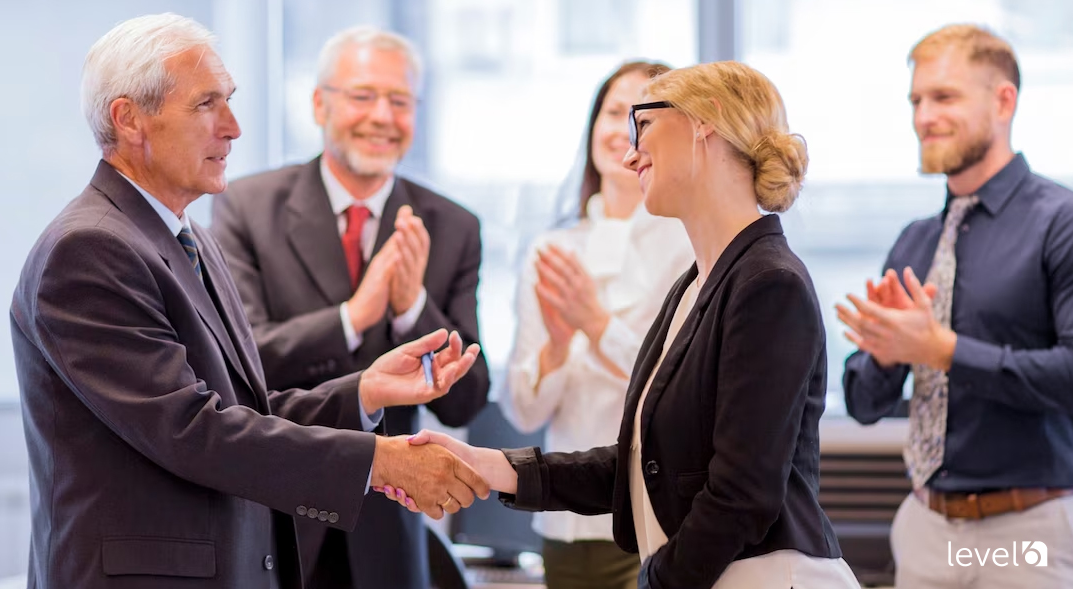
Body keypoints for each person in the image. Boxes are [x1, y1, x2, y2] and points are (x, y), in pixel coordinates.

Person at [10, 14, 489, 589]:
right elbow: (193, 430)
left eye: (229, 101)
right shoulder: (89, 249)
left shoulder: (187, 237)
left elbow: (243, 407)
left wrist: (363, 392)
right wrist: (379, 460)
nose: (233, 128)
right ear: (129, 118)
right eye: (206, 104)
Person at [387, 61, 861, 588]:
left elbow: (742, 496)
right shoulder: (694, 286)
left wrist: (655, 581)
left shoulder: (770, 284)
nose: (631, 153)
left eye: (644, 124)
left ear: (705, 123)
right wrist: (490, 465)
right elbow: (642, 464)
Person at [210, 25, 489, 589]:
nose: (382, 116)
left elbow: (468, 398)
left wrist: (412, 309)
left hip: (389, 531)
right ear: (320, 104)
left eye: (400, 101)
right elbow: (241, 365)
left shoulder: (452, 225)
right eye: (363, 96)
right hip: (279, 517)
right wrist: (354, 317)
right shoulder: (247, 206)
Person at [837, 24, 1073, 588]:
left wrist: (943, 350)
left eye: (943, 97)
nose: (923, 117)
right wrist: (887, 354)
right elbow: (864, 404)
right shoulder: (915, 241)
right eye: (916, 100)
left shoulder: (1060, 222)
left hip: (1025, 531)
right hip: (923, 526)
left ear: (1003, 102)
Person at [500, 60, 693, 589]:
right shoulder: (552, 249)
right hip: (561, 519)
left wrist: (596, 323)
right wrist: (557, 349)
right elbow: (523, 410)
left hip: (653, 516)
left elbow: (679, 392)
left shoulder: (688, 245)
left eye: (642, 118)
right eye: (612, 112)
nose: (621, 130)